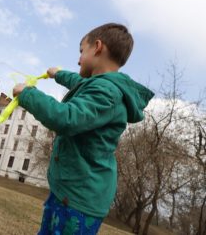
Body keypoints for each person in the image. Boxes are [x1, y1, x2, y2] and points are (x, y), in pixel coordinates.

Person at [13, 23, 154, 234]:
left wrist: (27, 93)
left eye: (81, 51)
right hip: (70, 194)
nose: (78, 59)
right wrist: (58, 74)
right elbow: (79, 82)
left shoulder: (107, 92)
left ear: (97, 47)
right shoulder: (102, 87)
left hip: (79, 202)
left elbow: (66, 118)